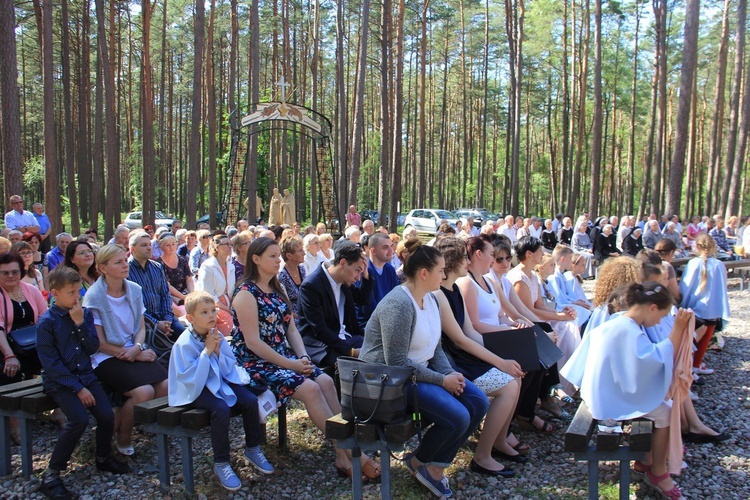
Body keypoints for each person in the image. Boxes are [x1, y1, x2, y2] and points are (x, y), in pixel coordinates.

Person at [231, 237, 379, 481]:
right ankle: (353, 453)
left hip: (287, 357)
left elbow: (291, 329)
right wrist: (291, 364)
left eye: (279, 255)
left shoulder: (277, 288)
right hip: (255, 364)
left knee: (326, 383)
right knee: (311, 389)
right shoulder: (246, 293)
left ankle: (342, 455)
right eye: (272, 256)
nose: (278, 260)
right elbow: (253, 343)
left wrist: (302, 356)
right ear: (255, 259)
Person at [360, 240, 489, 497]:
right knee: (459, 416)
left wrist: (448, 373)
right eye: (440, 270)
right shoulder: (399, 304)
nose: (444, 274)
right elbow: (395, 363)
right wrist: (442, 381)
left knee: (478, 402)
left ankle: (424, 462)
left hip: (414, 376)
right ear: (423, 273)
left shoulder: (430, 298)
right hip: (386, 384)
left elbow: (435, 348)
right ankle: (429, 467)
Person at [561, 283, 693, 500]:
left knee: (661, 408)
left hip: (604, 393)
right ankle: (658, 471)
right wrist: (678, 330)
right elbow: (654, 361)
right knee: (667, 412)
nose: (660, 321)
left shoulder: (619, 323)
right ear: (651, 307)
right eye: (661, 315)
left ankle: (647, 461)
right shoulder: (627, 329)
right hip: (609, 400)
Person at [36, 267, 130, 498]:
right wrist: (78, 389)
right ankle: (51, 474)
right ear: (55, 293)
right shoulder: (47, 322)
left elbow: (91, 347)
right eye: (71, 293)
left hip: (86, 376)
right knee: (78, 419)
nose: (76, 298)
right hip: (62, 382)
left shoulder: (83, 314)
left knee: (106, 415)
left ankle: (103, 457)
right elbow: (51, 364)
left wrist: (79, 324)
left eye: (78, 292)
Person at [169, 292, 274, 491]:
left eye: (213, 311)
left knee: (250, 400)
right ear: (190, 318)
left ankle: (253, 448)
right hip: (193, 389)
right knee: (221, 409)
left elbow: (228, 366)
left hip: (215, 381)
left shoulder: (214, 334)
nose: (211, 316)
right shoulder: (184, 343)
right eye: (204, 312)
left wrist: (217, 352)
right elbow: (189, 378)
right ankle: (222, 462)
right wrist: (207, 352)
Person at [439, 237, 527, 467]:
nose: (467, 262)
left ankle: (499, 440)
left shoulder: (454, 290)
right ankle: (482, 456)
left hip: (464, 354)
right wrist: (500, 362)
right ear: (453, 262)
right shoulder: (441, 293)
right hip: (452, 362)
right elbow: (459, 340)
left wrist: (503, 359)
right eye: (464, 258)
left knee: (514, 376)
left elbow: (471, 332)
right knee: (508, 386)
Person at [82, 244, 169, 455]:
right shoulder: (94, 297)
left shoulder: (134, 289)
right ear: (103, 268)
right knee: (144, 392)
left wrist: (138, 348)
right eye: (118, 262)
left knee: (165, 386)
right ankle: (124, 435)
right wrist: (135, 354)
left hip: (134, 350)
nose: (124, 265)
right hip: (105, 357)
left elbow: (141, 327)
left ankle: (120, 423)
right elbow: (99, 343)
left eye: (124, 259)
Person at [297, 241, 371, 367]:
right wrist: (350, 351)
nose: (358, 278)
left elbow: (362, 300)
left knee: (379, 354)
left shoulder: (344, 280)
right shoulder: (311, 286)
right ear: (343, 263)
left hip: (345, 338)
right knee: (356, 365)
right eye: (357, 270)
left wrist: (366, 275)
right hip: (321, 345)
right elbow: (319, 329)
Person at [679, 233, 730, 375]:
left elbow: (686, 286)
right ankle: (696, 364)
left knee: (692, 338)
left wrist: (683, 303)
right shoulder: (719, 265)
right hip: (712, 307)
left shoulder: (693, 263)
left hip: (695, 306)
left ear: (698, 246)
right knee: (706, 336)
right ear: (713, 246)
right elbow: (722, 288)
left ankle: (691, 364)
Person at [128, 231, 186, 338]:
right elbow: (131, 306)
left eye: (150, 244)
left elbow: (165, 295)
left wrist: (167, 320)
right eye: (144, 245)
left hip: (165, 317)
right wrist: (156, 323)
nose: (149, 248)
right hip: (143, 322)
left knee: (186, 338)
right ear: (133, 249)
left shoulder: (157, 267)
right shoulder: (126, 270)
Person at [195, 232, 236, 335]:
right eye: (226, 244)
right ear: (217, 247)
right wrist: (227, 309)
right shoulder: (207, 266)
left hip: (229, 303)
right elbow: (208, 294)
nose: (229, 246)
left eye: (230, 244)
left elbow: (232, 290)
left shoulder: (231, 267)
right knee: (228, 323)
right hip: (212, 305)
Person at [356, 232, 399, 328]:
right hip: (368, 324)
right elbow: (367, 308)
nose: (391, 250)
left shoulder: (390, 269)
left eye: (391, 246)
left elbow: (396, 298)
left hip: (387, 320)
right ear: (373, 251)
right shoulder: (364, 271)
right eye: (385, 247)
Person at [157, 233, 194, 318]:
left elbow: (189, 278)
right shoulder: (159, 264)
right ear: (162, 247)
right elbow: (167, 285)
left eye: (173, 244)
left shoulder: (182, 259)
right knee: (181, 311)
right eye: (167, 245)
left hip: (185, 292)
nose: (171, 247)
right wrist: (183, 297)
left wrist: (191, 294)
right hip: (169, 295)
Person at [277, 236, 307, 321]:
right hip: (293, 319)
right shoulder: (282, 275)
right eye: (300, 251)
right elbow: (283, 305)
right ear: (289, 255)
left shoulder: (301, 269)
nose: (304, 253)